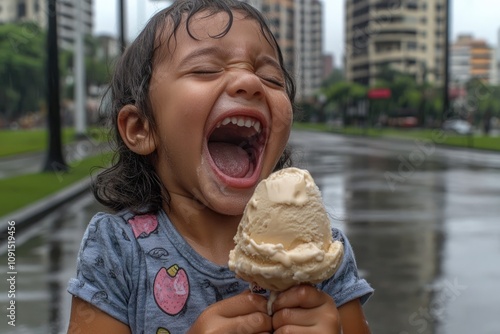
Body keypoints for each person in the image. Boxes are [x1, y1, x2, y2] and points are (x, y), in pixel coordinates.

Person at [67, 0, 373, 333]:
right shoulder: (117, 252)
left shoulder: (322, 255)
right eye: (205, 70)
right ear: (142, 128)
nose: (250, 82)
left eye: (271, 78)